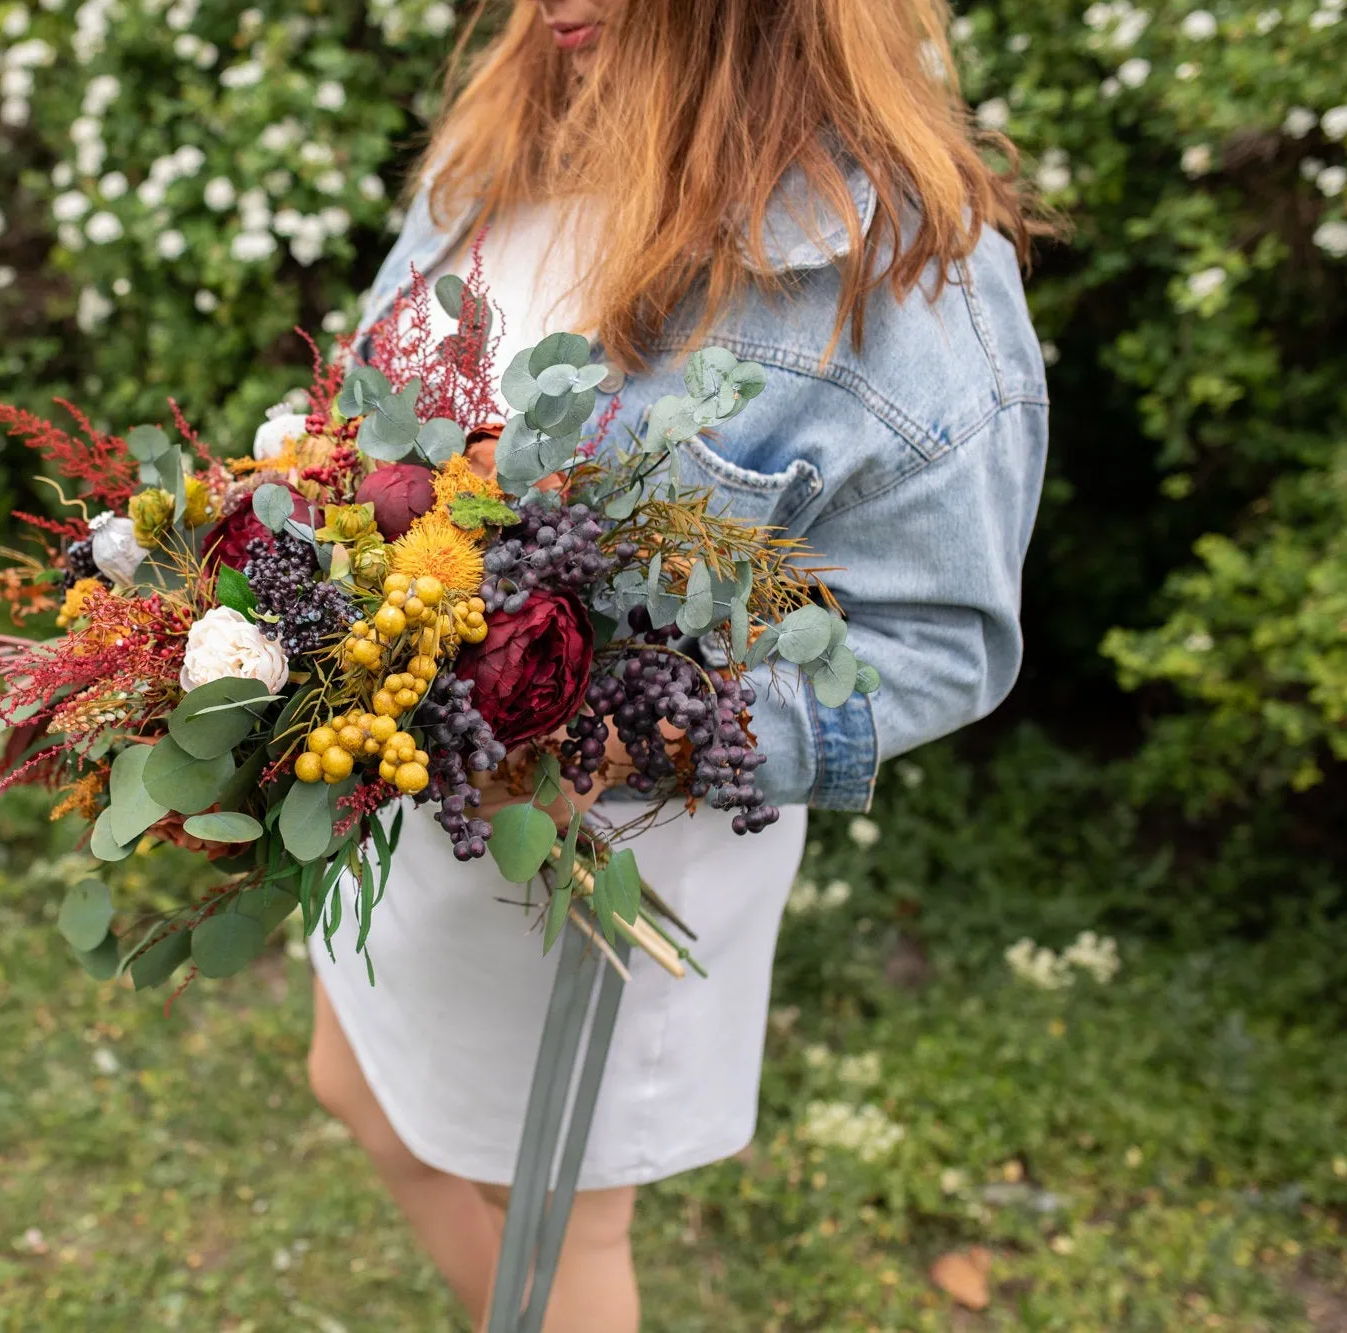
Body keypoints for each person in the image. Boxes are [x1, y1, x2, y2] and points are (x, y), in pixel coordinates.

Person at [304, 0, 1050, 1326]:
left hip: (598, 865)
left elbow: (940, 644)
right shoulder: (515, 136)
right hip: (414, 797)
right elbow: (361, 408)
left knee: (557, 1234)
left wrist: (624, 732)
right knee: (354, 1085)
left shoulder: (895, 285)